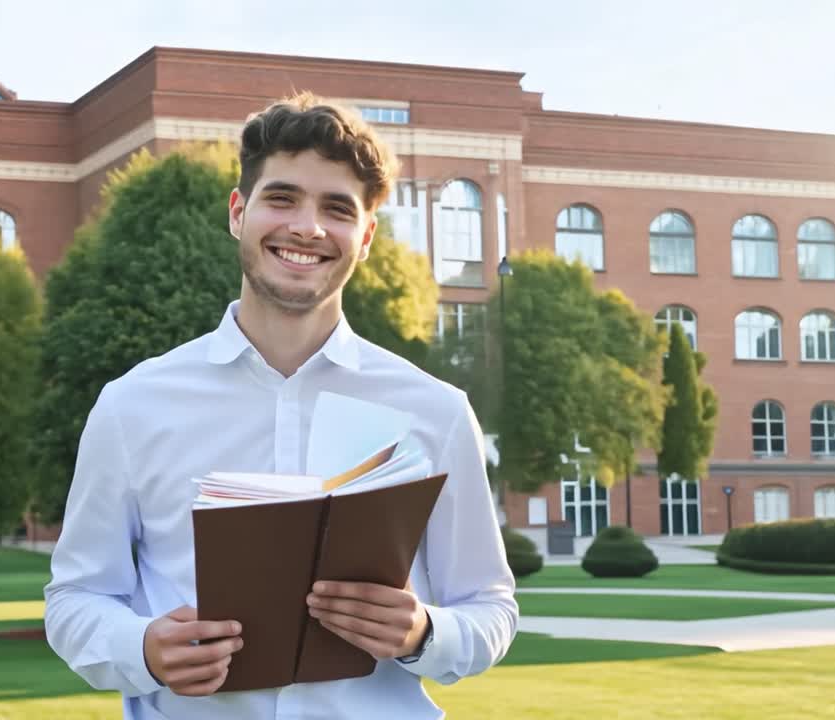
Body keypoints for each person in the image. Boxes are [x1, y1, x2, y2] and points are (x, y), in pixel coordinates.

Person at [45, 92, 518, 719]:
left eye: (336, 209)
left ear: (367, 235)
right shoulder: (133, 405)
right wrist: (141, 647)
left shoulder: (435, 410)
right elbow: (76, 597)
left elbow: (491, 606)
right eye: (283, 198)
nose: (308, 228)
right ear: (239, 212)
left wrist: (425, 632)